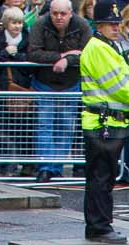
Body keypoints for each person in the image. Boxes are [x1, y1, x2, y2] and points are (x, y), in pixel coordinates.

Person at [77, 0, 129, 242]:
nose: (115, 28)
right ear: (99, 25)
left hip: (109, 122)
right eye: (110, 24)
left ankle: (100, 225)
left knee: (103, 177)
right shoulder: (99, 48)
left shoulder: (107, 46)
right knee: (101, 178)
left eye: (117, 23)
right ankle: (99, 227)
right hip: (102, 122)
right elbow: (116, 85)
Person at [30, 0, 92, 182]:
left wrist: (68, 60)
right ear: (50, 12)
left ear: (70, 13)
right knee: (44, 125)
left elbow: (88, 53)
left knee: (65, 126)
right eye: (55, 13)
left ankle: (57, 166)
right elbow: (33, 53)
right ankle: (45, 167)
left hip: (71, 83)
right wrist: (60, 56)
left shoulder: (82, 25)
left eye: (62, 14)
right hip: (45, 81)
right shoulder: (40, 24)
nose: (58, 17)